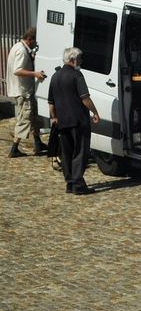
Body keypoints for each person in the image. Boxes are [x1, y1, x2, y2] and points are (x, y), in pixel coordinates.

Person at [47, 47, 100, 195]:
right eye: (80, 59)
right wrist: (94, 112)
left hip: (62, 121)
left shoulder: (55, 76)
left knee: (67, 153)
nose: (81, 61)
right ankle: (78, 184)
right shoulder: (77, 75)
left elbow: (51, 102)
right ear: (73, 59)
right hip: (78, 120)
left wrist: (54, 117)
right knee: (80, 152)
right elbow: (85, 98)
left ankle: (70, 183)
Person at [7, 27, 47, 157]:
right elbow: (17, 70)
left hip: (25, 90)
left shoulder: (19, 47)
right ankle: (14, 148)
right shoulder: (21, 51)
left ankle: (38, 143)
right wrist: (34, 74)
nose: (36, 44)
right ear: (30, 39)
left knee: (33, 117)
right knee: (24, 119)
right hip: (23, 91)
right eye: (35, 41)